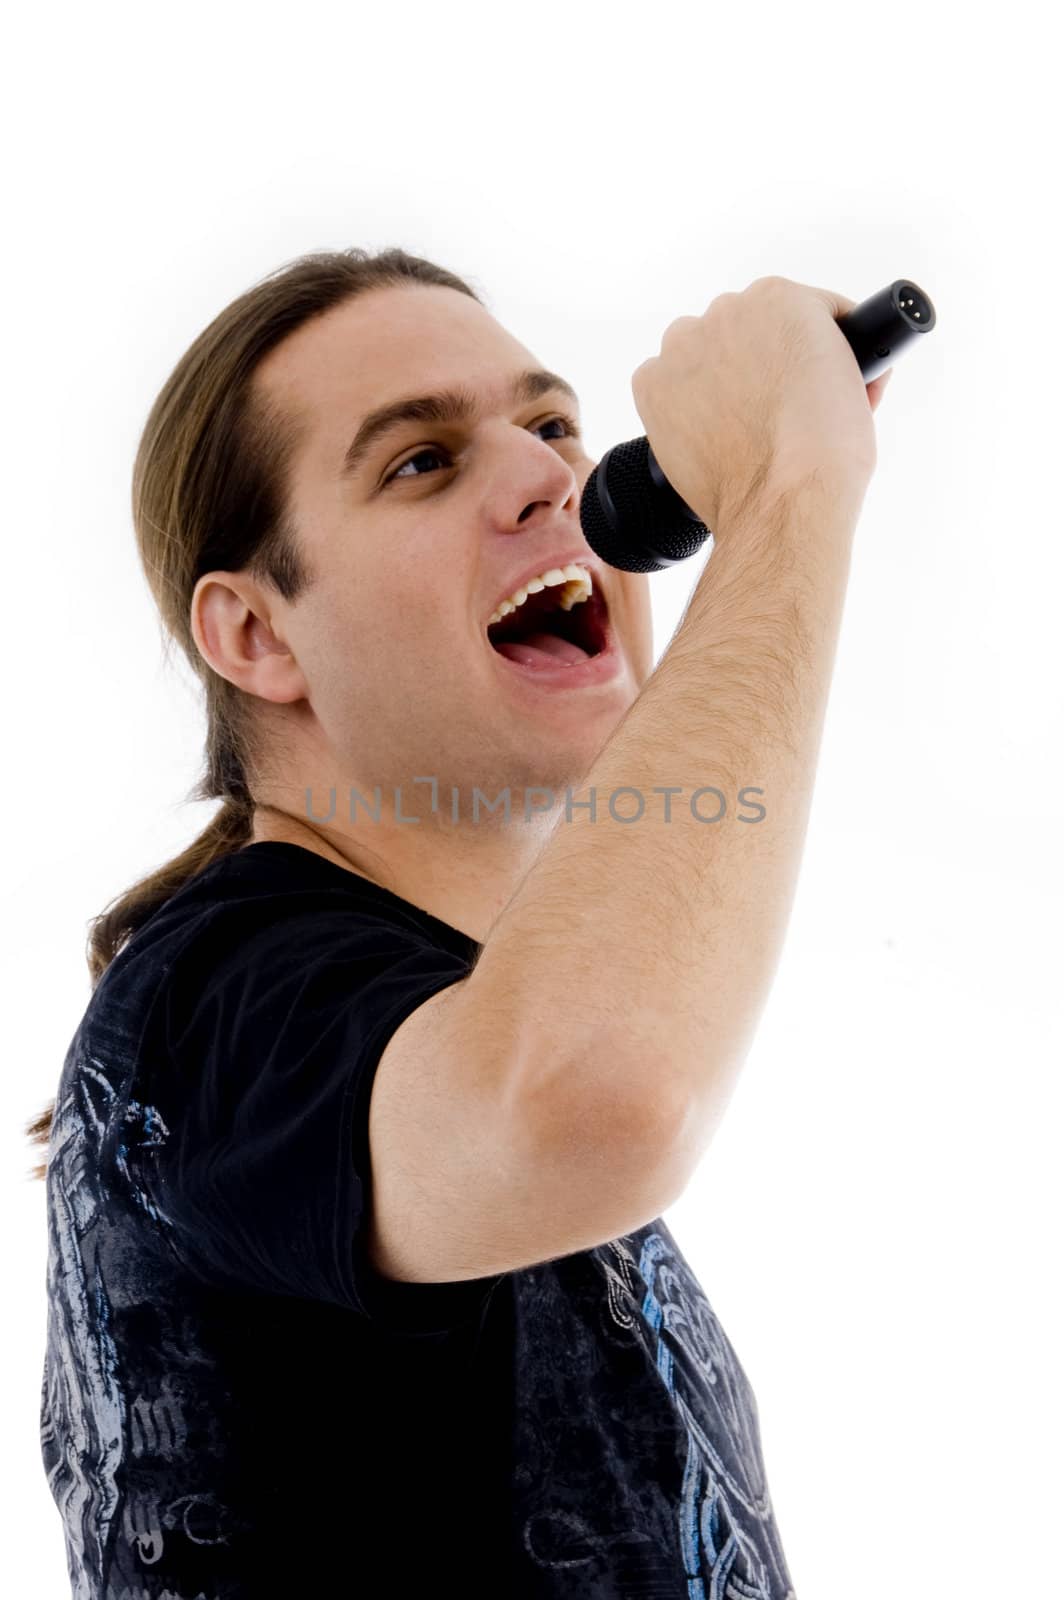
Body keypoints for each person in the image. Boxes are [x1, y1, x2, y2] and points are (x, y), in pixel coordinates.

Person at [28, 246, 890, 1598]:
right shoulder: (215, 1001)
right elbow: (599, 1097)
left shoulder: (445, 1024)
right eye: (419, 462)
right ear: (256, 634)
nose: (549, 475)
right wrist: (791, 491)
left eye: (552, 426)